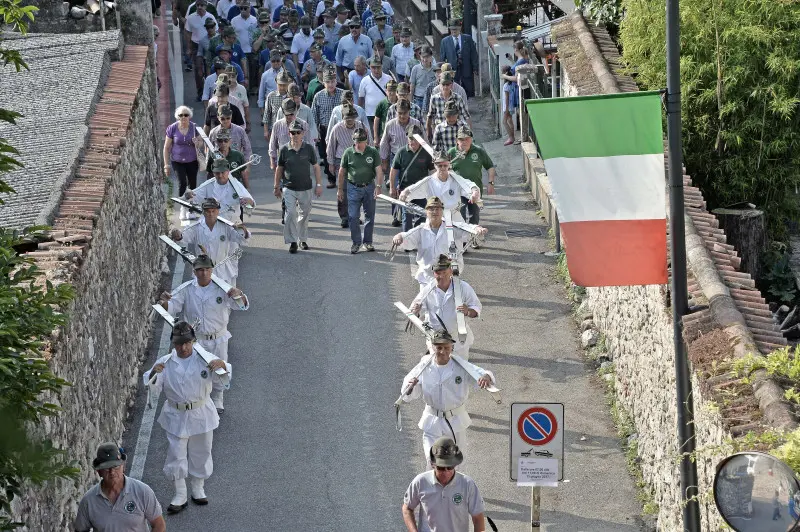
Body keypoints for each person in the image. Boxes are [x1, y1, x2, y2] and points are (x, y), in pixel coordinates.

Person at [143, 321, 231, 512]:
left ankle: (198, 488)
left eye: (186, 343)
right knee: (176, 453)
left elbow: (223, 377)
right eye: (179, 343)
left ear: (193, 341)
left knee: (202, 450)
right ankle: (180, 493)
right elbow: (152, 386)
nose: (183, 347)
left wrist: (222, 364)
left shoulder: (204, 358)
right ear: (173, 343)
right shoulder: (166, 362)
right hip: (176, 413)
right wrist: (153, 373)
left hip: (201, 412)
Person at [158, 255, 248, 412]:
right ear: (194, 271)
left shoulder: (222, 288)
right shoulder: (187, 289)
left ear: (212, 270)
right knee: (196, 371)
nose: (204, 273)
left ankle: (218, 397)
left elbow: (240, 306)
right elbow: (173, 306)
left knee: (219, 367)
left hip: (219, 337)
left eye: (207, 269)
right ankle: (197, 400)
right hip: (196, 339)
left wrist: (239, 295)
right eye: (200, 270)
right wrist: (164, 303)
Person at [400, 327, 495, 461]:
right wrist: (411, 386)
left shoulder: (460, 366)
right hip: (432, 422)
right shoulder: (424, 366)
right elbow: (407, 393)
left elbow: (482, 374)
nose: (442, 351)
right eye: (439, 348)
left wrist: (486, 377)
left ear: (452, 347)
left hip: (456, 422)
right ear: (433, 347)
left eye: (446, 347)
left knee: (456, 462)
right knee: (432, 461)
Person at [402, 436, 487, 532]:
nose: (446, 472)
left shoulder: (468, 485)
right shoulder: (420, 482)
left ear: (455, 465)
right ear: (433, 464)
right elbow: (407, 509)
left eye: (450, 467)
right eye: (441, 468)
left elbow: (478, 518)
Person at [74, 443, 166, 532]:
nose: (112, 472)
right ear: (99, 472)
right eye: (106, 468)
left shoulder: (142, 491)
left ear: (123, 466)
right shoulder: (88, 501)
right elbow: (80, 530)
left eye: (116, 466)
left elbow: (159, 525)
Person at [393, 197, 486, 285]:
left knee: (451, 300)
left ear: (442, 211)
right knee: (424, 302)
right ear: (426, 212)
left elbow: (466, 229)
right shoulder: (421, 230)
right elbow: (407, 239)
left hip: (448, 276)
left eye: (438, 209)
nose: (435, 212)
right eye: (431, 209)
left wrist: (476, 228)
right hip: (427, 277)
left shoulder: (450, 228)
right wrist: (399, 237)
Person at [170, 196, 250, 285]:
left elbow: (242, 239)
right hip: (203, 271)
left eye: (213, 211)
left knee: (226, 297)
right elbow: (183, 237)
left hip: (223, 270)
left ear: (218, 211)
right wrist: (177, 234)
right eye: (208, 211)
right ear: (203, 212)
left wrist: (243, 230)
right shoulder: (196, 228)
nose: (211, 214)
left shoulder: (227, 227)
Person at [275, 119, 323, 253]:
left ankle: (302, 239)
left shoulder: (308, 148)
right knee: (290, 213)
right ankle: (292, 241)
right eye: (292, 132)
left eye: (298, 132)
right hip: (289, 187)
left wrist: (318, 184)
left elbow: (316, 167)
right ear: (289, 133)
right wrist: (276, 186)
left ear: (303, 133)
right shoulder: (284, 149)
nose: (295, 135)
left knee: (305, 214)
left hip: (305, 187)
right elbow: (279, 168)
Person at [338, 127, 382, 254]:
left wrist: (378, 187)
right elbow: (342, 172)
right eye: (357, 141)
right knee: (353, 217)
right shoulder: (348, 153)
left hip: (369, 186)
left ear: (366, 141)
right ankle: (356, 242)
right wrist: (340, 189)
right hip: (353, 187)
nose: (359, 144)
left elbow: (379, 170)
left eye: (361, 141)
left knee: (370, 216)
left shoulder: (372, 152)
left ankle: (367, 242)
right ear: (353, 140)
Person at [400, 151, 480, 220]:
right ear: (435, 166)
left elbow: (468, 185)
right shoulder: (429, 181)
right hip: (435, 219)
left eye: (445, 165)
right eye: (439, 166)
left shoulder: (456, 180)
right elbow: (414, 188)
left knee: (461, 237)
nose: (442, 168)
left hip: (454, 218)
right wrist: (405, 193)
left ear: (449, 165)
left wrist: (474, 192)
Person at [328, 104, 371, 227]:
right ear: (343, 117)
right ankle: (344, 217)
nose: (350, 120)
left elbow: (370, 143)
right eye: (347, 118)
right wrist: (330, 163)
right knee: (343, 189)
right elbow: (330, 146)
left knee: (357, 190)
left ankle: (354, 216)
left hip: (359, 161)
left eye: (352, 117)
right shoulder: (337, 128)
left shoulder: (361, 126)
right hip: (341, 161)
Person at [380, 100, 421, 223]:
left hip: (413, 158)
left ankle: (413, 213)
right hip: (396, 158)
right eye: (400, 113)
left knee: (413, 187)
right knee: (396, 187)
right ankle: (396, 215)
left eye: (405, 113)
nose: (402, 116)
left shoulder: (416, 123)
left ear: (409, 112)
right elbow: (384, 143)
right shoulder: (390, 125)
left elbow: (423, 140)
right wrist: (384, 160)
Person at [388, 124, 433, 232]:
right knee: (406, 217)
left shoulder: (427, 153)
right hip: (406, 190)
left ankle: (417, 237)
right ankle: (407, 241)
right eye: (410, 138)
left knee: (422, 216)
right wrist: (392, 188)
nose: (412, 141)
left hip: (422, 190)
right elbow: (393, 171)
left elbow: (432, 172)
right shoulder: (401, 152)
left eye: (415, 139)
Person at [448, 125, 495, 227]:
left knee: (474, 216)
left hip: (475, 190)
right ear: (457, 140)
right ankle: (463, 241)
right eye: (461, 139)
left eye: (466, 139)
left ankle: (473, 238)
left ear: (471, 139)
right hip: (458, 191)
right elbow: (442, 169)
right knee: (460, 216)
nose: (464, 142)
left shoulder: (479, 151)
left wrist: (491, 183)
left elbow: (490, 167)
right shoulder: (451, 153)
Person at [164, 106, 203, 216]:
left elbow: (201, 143)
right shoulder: (172, 128)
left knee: (192, 184)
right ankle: (183, 208)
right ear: (177, 117)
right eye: (181, 115)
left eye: (186, 115)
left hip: (192, 161)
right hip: (177, 161)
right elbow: (166, 147)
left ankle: (191, 209)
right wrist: (166, 165)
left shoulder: (194, 127)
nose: (183, 117)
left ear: (189, 116)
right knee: (182, 183)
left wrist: (197, 143)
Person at [187, 158, 255, 218]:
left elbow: (251, 204)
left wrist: (248, 201)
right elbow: (193, 198)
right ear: (213, 173)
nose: (220, 175)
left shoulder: (236, 185)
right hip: (212, 220)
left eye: (223, 172)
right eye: (217, 173)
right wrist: (188, 195)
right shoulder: (207, 185)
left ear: (228, 171)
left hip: (232, 221)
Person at [311, 68, 344, 188]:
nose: (330, 84)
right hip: (324, 129)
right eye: (328, 82)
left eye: (333, 81)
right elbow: (314, 115)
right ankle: (331, 179)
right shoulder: (318, 96)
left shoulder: (342, 94)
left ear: (336, 81)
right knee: (326, 154)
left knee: (339, 154)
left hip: (340, 129)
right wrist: (315, 132)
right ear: (323, 83)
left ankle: (342, 177)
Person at [185, 0, 217, 100]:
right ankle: (200, 92)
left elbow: (216, 30)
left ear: (205, 6)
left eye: (202, 5)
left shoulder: (211, 17)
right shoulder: (190, 18)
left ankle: (211, 91)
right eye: (198, 5)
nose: (199, 7)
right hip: (196, 45)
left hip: (209, 45)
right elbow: (188, 33)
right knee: (198, 70)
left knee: (211, 69)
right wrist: (189, 48)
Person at [500, 40, 530, 146]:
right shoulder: (521, 59)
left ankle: (523, 137)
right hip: (517, 89)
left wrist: (505, 76)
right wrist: (512, 60)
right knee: (519, 114)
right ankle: (522, 136)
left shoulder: (521, 60)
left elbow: (516, 78)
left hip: (519, 89)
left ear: (516, 50)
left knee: (521, 115)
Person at [439, 18, 478, 97]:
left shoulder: (467, 39)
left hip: (466, 68)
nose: (453, 31)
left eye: (456, 29)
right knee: (454, 89)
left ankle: (466, 105)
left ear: (460, 28)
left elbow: (473, 54)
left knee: (468, 90)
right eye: (452, 29)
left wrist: (475, 67)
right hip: (452, 70)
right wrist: (442, 71)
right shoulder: (445, 41)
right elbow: (442, 58)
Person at [269, 97, 312, 169]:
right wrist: (272, 163)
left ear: (295, 110)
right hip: (283, 163)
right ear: (282, 111)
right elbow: (272, 145)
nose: (289, 117)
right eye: (287, 114)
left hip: (300, 163)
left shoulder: (304, 125)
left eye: (291, 114)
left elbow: (310, 144)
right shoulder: (277, 125)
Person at [426, 70, 470, 139]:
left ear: (451, 85)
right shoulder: (434, 99)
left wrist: (468, 134)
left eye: (447, 84)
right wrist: (429, 132)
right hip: (440, 134)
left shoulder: (458, 98)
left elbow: (466, 117)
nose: (445, 87)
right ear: (439, 84)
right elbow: (430, 116)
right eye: (443, 84)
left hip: (456, 133)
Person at [203, 122, 247, 186]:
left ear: (230, 141)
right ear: (217, 142)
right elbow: (209, 175)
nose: (223, 143)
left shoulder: (238, 155)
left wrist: (247, 189)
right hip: (219, 189)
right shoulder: (213, 156)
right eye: (220, 141)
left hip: (235, 188)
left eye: (226, 140)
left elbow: (243, 175)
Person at [358, 55, 392, 129]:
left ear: (382, 66)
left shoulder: (389, 79)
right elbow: (361, 98)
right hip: (370, 114)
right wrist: (360, 114)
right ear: (369, 67)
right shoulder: (364, 80)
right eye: (373, 67)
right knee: (372, 138)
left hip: (385, 114)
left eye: (378, 67)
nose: (376, 70)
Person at [263, 70, 293, 143]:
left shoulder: (292, 97)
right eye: (280, 85)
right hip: (275, 130)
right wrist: (266, 131)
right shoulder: (271, 96)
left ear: (288, 84)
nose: (282, 87)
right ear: (276, 82)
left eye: (284, 85)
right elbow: (267, 114)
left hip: (291, 131)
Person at [373, 78, 397, 143]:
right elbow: (376, 120)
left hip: (397, 134)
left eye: (394, 90)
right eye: (389, 91)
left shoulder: (400, 103)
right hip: (384, 135)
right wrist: (376, 137)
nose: (391, 93)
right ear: (386, 91)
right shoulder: (382, 104)